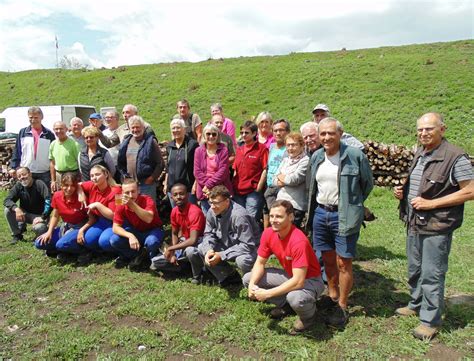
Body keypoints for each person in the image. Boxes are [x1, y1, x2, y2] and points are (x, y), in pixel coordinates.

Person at [393, 112, 473, 341]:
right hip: (414, 221)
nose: (423, 133)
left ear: (442, 129)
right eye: (420, 130)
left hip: (436, 225)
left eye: (428, 129)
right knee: (415, 269)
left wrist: (432, 203)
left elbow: (470, 190)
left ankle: (430, 321)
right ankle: (416, 304)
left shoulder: (455, 156)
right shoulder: (422, 152)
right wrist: (402, 192)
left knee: (431, 273)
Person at [307, 117, 373, 327]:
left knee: (343, 262)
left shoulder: (354, 156)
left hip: (344, 214)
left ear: (340, 134)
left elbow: (367, 184)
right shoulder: (317, 156)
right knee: (326, 258)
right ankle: (333, 294)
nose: (326, 137)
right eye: (323, 134)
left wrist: (352, 203)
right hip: (320, 213)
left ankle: (343, 305)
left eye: (331, 133)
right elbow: (312, 186)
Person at [243, 200, 324, 334]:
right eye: (272, 216)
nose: (274, 220)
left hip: (311, 280)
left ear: (291, 217)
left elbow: (299, 281)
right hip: (291, 275)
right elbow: (259, 263)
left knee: (296, 298)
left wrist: (267, 293)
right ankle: (285, 305)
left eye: (279, 216)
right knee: (248, 278)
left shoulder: (298, 241)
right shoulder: (268, 233)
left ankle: (308, 316)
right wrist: (252, 285)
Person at [187, 185, 260, 286]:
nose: (212, 206)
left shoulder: (239, 216)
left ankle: (251, 281)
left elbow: (248, 245)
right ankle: (229, 275)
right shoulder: (212, 211)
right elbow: (208, 234)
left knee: (242, 260)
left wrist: (221, 255)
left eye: (216, 203)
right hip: (226, 243)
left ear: (227, 201)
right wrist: (209, 250)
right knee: (202, 248)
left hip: (249, 248)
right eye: (210, 202)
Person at [34, 172, 93, 262]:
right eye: (66, 185)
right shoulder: (57, 196)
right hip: (65, 226)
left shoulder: (81, 198)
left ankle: (84, 251)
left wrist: (82, 230)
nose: (69, 189)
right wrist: (49, 232)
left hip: (80, 227)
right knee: (39, 243)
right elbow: (55, 216)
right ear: (61, 185)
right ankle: (64, 250)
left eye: (72, 185)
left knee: (61, 244)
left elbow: (92, 218)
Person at [150, 183, 205, 276]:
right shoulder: (174, 211)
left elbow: (193, 240)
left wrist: (171, 248)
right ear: (171, 197)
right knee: (155, 262)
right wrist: (173, 253)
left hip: (199, 243)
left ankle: (199, 272)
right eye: (175, 195)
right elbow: (175, 233)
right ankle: (183, 266)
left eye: (181, 194)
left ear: (187, 195)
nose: (178, 197)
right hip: (184, 242)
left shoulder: (195, 212)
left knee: (190, 251)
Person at [110, 178, 164, 270]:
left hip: (152, 229)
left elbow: (148, 219)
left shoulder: (147, 199)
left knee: (152, 242)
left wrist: (132, 204)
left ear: (138, 190)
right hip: (136, 231)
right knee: (114, 240)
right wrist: (130, 235)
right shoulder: (119, 201)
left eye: (133, 191)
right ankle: (137, 256)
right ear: (122, 193)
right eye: (127, 193)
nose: (130, 195)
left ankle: (152, 256)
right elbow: (115, 227)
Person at [78, 165, 122, 265]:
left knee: (104, 241)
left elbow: (114, 215)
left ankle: (119, 252)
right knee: (88, 240)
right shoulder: (92, 185)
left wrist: (98, 205)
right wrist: (81, 194)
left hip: (115, 222)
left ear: (106, 174)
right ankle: (103, 252)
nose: (94, 178)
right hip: (100, 221)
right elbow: (78, 185)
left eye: (97, 174)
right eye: (92, 175)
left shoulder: (117, 191)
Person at [117, 115, 164, 201]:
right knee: (126, 207)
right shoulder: (126, 141)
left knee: (147, 209)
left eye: (138, 127)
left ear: (143, 127)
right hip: (129, 184)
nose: (135, 130)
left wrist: (152, 178)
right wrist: (124, 175)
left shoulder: (151, 142)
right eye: (133, 127)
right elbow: (121, 162)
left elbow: (160, 163)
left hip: (146, 184)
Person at [9, 106, 56, 186]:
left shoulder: (49, 134)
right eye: (31, 117)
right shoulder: (23, 132)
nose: (33, 120)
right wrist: (14, 167)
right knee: (27, 197)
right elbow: (17, 150)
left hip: (44, 172)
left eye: (36, 117)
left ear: (41, 117)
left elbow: (53, 155)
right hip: (26, 172)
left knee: (44, 196)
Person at [193, 123, 233, 214]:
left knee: (224, 219)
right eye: (208, 134)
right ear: (203, 135)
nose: (211, 136)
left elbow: (223, 171)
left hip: (220, 191)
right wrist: (208, 187)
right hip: (205, 193)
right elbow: (197, 171)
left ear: (218, 136)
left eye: (214, 134)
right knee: (209, 220)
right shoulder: (198, 151)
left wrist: (209, 186)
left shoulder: (223, 150)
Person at [232, 121, 268, 221]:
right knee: (240, 218)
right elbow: (235, 169)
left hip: (253, 191)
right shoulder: (239, 149)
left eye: (246, 133)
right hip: (238, 191)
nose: (243, 135)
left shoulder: (262, 149)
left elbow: (265, 169)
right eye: (242, 132)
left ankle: (253, 237)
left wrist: (259, 187)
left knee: (251, 219)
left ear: (254, 133)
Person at [3, 167, 50, 243]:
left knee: (40, 228)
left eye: (24, 174)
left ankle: (38, 236)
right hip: (24, 214)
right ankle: (17, 235)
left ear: (30, 174)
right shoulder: (18, 185)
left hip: (39, 216)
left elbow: (49, 200)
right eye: (19, 176)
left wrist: (43, 217)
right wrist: (16, 209)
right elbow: (7, 200)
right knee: (8, 210)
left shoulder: (39, 184)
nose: (22, 177)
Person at [273, 133, 308, 228]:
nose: (290, 148)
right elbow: (274, 179)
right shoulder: (285, 160)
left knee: (290, 234)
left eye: (294, 145)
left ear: (302, 146)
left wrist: (281, 177)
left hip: (295, 206)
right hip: (280, 202)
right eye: (288, 145)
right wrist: (283, 179)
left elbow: (294, 179)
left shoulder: (305, 161)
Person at [164, 119, 199, 207]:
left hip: (188, 188)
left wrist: (196, 184)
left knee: (190, 213)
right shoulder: (169, 146)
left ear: (184, 129)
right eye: (173, 128)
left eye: (178, 127)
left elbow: (198, 166)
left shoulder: (192, 145)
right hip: (172, 188)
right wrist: (166, 183)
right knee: (177, 214)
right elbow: (168, 167)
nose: (175, 130)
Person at [263, 119, 290, 228]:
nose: (278, 133)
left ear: (287, 132)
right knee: (269, 215)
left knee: (279, 217)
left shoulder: (289, 148)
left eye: (281, 130)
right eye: (275, 130)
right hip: (269, 186)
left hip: (281, 188)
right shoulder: (272, 146)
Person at [49, 121, 81, 192]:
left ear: (66, 129)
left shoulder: (74, 144)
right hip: (58, 175)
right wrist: (53, 180)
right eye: (56, 129)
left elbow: (80, 163)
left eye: (61, 129)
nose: (58, 131)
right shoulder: (53, 144)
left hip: (72, 174)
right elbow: (52, 163)